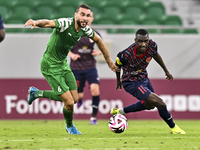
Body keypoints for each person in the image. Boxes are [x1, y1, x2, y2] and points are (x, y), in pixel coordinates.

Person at [24, 4, 118, 135]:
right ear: (76, 15)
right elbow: (47, 23)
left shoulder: (85, 30)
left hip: (63, 64)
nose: (85, 18)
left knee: (74, 99)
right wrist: (36, 22)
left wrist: (109, 61)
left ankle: (36, 93)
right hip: (50, 65)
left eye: (88, 16)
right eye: (82, 14)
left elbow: (99, 40)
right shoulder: (65, 23)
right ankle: (70, 126)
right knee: (69, 102)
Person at [111, 29, 186, 134]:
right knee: (160, 103)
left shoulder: (152, 46)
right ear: (135, 40)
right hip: (131, 82)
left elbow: (156, 55)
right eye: (140, 41)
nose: (143, 44)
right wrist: (118, 80)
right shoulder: (125, 54)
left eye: (145, 41)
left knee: (150, 105)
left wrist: (166, 71)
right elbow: (117, 66)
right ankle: (174, 128)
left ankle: (120, 111)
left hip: (144, 78)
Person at [68, 11, 101, 125]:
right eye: (85, 16)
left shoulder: (95, 33)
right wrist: (72, 55)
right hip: (76, 67)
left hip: (90, 66)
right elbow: (65, 46)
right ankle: (80, 99)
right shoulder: (75, 32)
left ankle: (93, 117)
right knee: (77, 96)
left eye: (89, 16)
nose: (87, 18)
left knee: (95, 90)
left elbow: (103, 47)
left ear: (92, 19)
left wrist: (99, 52)